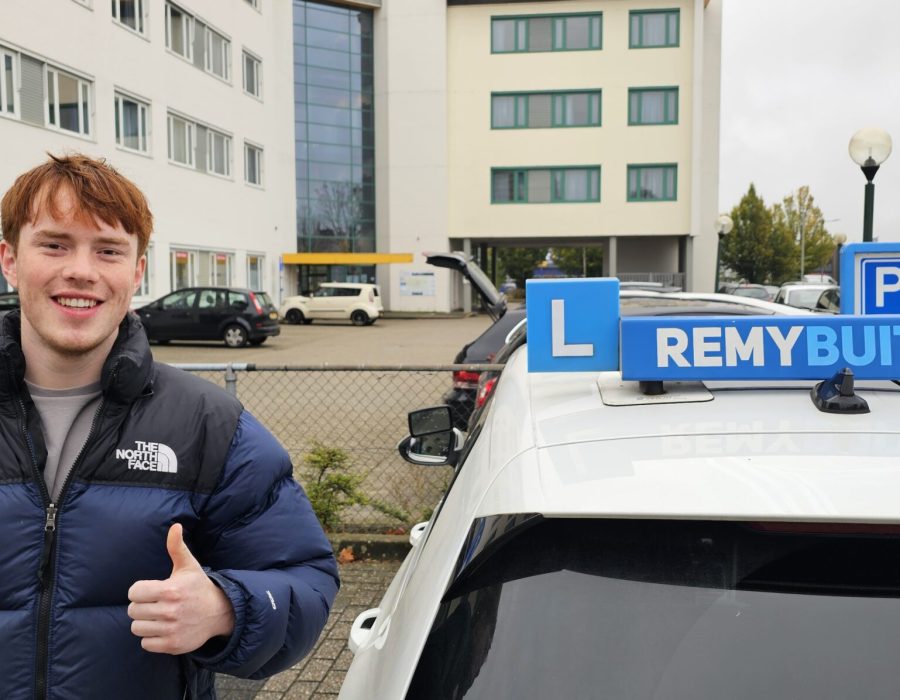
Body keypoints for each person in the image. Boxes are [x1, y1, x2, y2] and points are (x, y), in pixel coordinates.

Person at [0, 153, 340, 699]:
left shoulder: (209, 426)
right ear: (11, 259)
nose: (81, 270)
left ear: (136, 271)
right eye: (55, 244)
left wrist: (226, 607)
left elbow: (306, 579)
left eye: (108, 250)